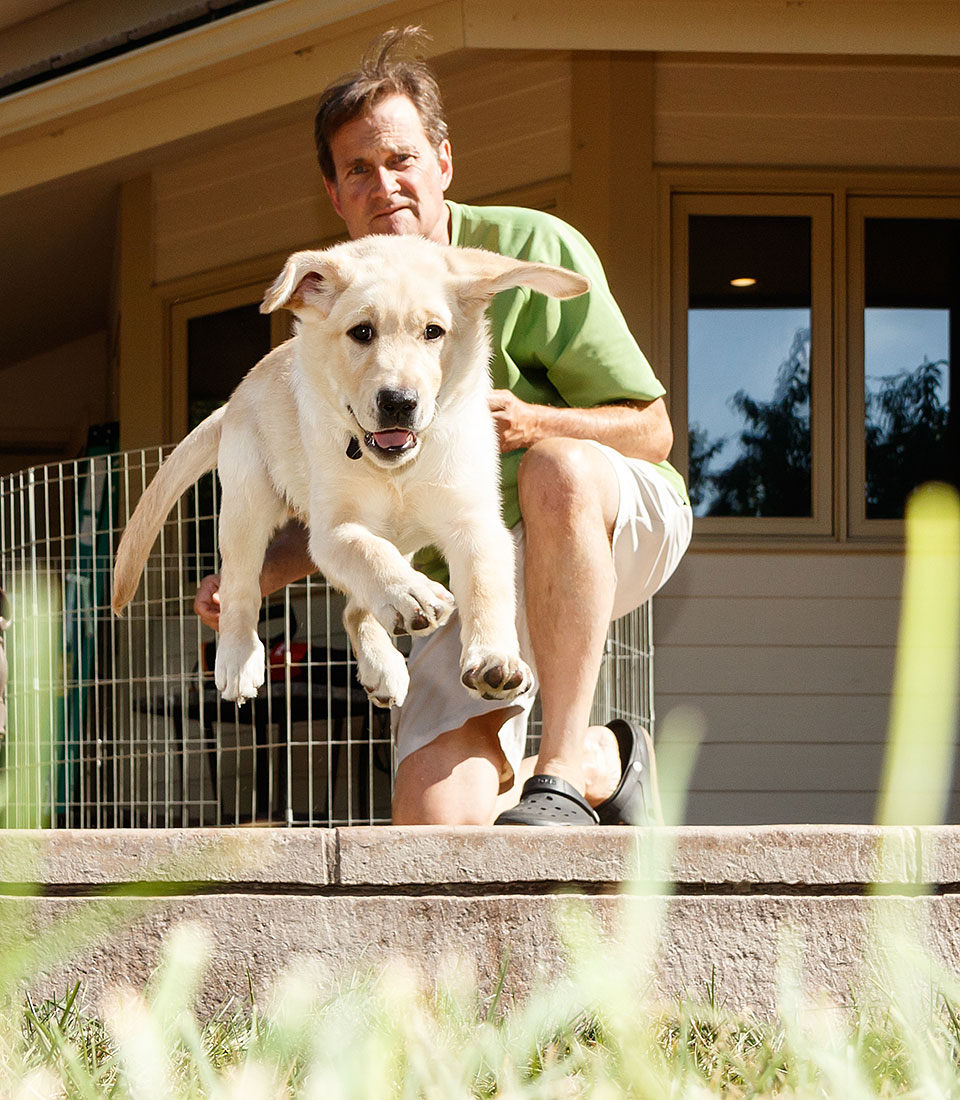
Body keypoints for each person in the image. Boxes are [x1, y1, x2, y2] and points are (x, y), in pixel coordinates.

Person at [194, 27, 692, 826]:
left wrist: (533, 422)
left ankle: (561, 765)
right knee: (435, 823)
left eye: (402, 160)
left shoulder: (530, 248)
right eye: (358, 169)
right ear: (334, 195)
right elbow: (345, 497)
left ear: (444, 163)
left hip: (603, 522)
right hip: (468, 559)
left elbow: (653, 431)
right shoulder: (339, 309)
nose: (384, 185)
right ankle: (607, 761)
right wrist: (261, 572)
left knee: (555, 469)